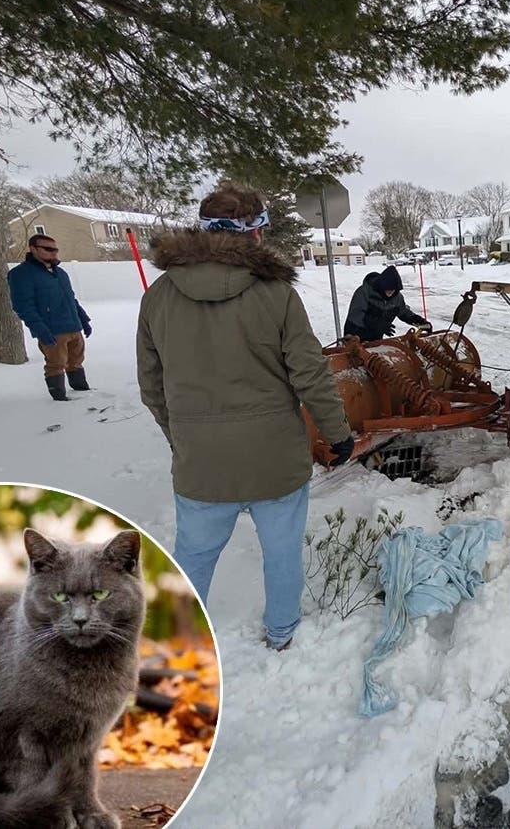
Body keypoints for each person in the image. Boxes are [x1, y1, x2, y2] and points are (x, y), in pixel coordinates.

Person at [137, 183, 354, 651]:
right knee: (281, 552)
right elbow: (310, 375)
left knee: (194, 554)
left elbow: (152, 385)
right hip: (273, 459)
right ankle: (280, 633)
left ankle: (174, 638)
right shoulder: (276, 294)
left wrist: (181, 438)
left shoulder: (158, 297)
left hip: (201, 462)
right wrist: (338, 434)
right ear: (256, 234)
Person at [7, 233, 92, 401]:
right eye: (48, 249)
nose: (53, 253)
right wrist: (40, 328)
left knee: (76, 361)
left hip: (73, 326)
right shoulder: (22, 274)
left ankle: (82, 391)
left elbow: (70, 298)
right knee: (56, 364)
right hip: (52, 330)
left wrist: (83, 319)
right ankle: (60, 399)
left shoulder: (60, 273)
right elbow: (23, 305)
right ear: (33, 249)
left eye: (55, 249)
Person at [344, 265, 431, 342]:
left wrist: (421, 322)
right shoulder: (364, 292)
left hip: (375, 339)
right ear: (381, 286)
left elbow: (404, 313)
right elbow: (356, 317)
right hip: (354, 336)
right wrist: (378, 325)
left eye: (393, 290)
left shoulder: (397, 297)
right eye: (388, 289)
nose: (391, 292)